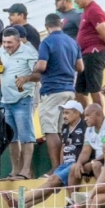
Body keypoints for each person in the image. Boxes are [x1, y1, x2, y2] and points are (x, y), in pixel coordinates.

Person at [22, 13, 83, 174]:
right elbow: (80, 67)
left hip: (52, 90)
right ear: (61, 24)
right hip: (70, 89)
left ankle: (56, 167)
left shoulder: (47, 42)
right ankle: (64, 165)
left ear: (46, 26)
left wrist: (34, 68)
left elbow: (42, 66)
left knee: (50, 129)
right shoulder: (72, 42)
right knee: (63, 130)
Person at [2, 101, 86, 208]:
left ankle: (21, 200)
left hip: (75, 164)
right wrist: (60, 165)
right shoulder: (65, 127)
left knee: (52, 180)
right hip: (65, 165)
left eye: (67, 113)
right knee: (50, 187)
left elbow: (88, 148)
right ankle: (25, 207)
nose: (64, 116)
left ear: (77, 113)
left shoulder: (85, 127)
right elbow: (63, 147)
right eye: (64, 113)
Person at [0, 26, 39, 179]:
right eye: (4, 42)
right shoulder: (1, 51)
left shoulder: (29, 52)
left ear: (18, 41)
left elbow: (39, 74)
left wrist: (26, 78)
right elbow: (0, 68)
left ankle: (26, 170)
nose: (6, 45)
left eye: (10, 42)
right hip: (6, 99)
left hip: (23, 98)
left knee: (25, 135)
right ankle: (15, 170)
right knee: (11, 137)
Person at [71, 103, 105, 181]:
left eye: (87, 115)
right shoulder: (89, 130)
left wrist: (93, 162)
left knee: (96, 165)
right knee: (74, 167)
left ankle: (104, 191)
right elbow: (85, 151)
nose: (85, 119)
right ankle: (72, 193)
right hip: (97, 161)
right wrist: (79, 163)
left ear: (97, 114)